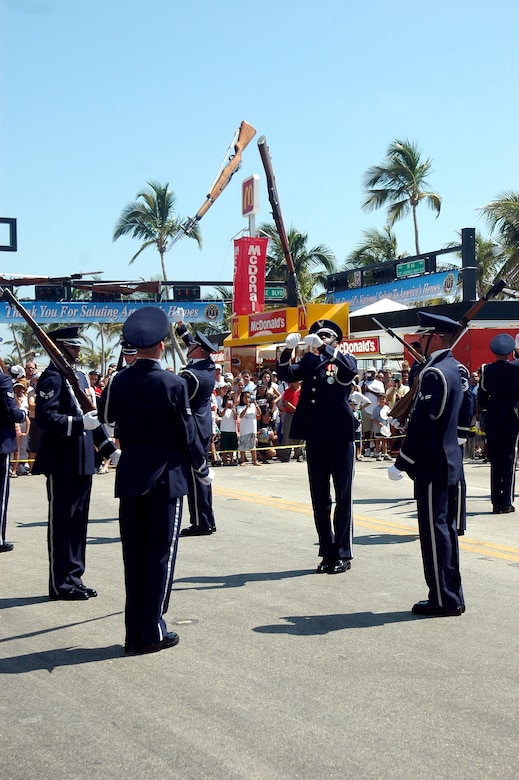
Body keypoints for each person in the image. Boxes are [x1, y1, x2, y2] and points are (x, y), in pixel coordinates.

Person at [100, 307, 213, 654]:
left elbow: (106, 418)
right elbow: (186, 431)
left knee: (133, 557)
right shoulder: (173, 383)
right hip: (166, 478)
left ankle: (134, 632)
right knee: (160, 556)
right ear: (162, 346)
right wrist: (201, 467)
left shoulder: (120, 381)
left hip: (131, 476)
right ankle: (152, 631)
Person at [389, 312, 466, 617]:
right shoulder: (451, 368)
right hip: (447, 460)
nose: (419, 341)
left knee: (435, 532)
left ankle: (443, 599)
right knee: (444, 530)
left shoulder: (434, 374)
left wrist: (402, 461)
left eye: (424, 336)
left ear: (436, 337)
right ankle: (451, 594)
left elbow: (423, 423)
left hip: (432, 463)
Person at [277, 319, 357, 574]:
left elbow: (349, 371)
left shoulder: (344, 358)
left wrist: (325, 349)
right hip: (315, 435)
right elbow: (286, 374)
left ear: (336, 341)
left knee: (343, 497)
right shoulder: (310, 362)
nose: (320, 340)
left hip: (340, 435)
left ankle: (343, 552)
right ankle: (327, 551)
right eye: (318, 337)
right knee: (320, 497)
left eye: (326, 337)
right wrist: (288, 351)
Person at [32, 326, 101, 601]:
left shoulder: (79, 377)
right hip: (62, 460)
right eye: (73, 347)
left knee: (78, 522)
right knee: (62, 522)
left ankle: (75, 576)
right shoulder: (51, 378)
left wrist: (104, 445)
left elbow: (90, 412)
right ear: (59, 348)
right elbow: (46, 418)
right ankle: (60, 582)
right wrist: (78, 423)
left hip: (83, 458)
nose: (78, 351)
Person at [173, 308, 217, 536]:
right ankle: (207, 518)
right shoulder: (207, 366)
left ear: (199, 351)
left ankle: (202, 522)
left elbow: (178, 402)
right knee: (202, 473)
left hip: (193, 428)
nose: (188, 346)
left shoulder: (191, 375)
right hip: (203, 425)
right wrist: (181, 325)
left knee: (196, 476)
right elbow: (191, 343)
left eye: (192, 346)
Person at [477, 333, 519, 513]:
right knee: (509, 457)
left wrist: (488, 410)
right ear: (511, 352)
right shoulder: (516, 368)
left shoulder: (487, 369)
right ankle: (506, 502)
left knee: (496, 458)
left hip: (493, 417)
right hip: (511, 417)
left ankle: (495, 502)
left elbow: (482, 394)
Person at [0, 356, 28, 551]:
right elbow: (12, 412)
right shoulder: (3, 380)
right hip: (0, 443)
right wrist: (23, 414)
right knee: (0, 495)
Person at [236, 390, 262, 466]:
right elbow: (241, 415)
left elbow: (259, 412)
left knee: (253, 445)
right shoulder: (240, 407)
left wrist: (256, 404)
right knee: (243, 446)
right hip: (245, 429)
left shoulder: (253, 406)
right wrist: (247, 406)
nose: (247, 399)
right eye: (246, 397)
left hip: (252, 428)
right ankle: (243, 460)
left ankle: (254, 460)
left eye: (249, 397)